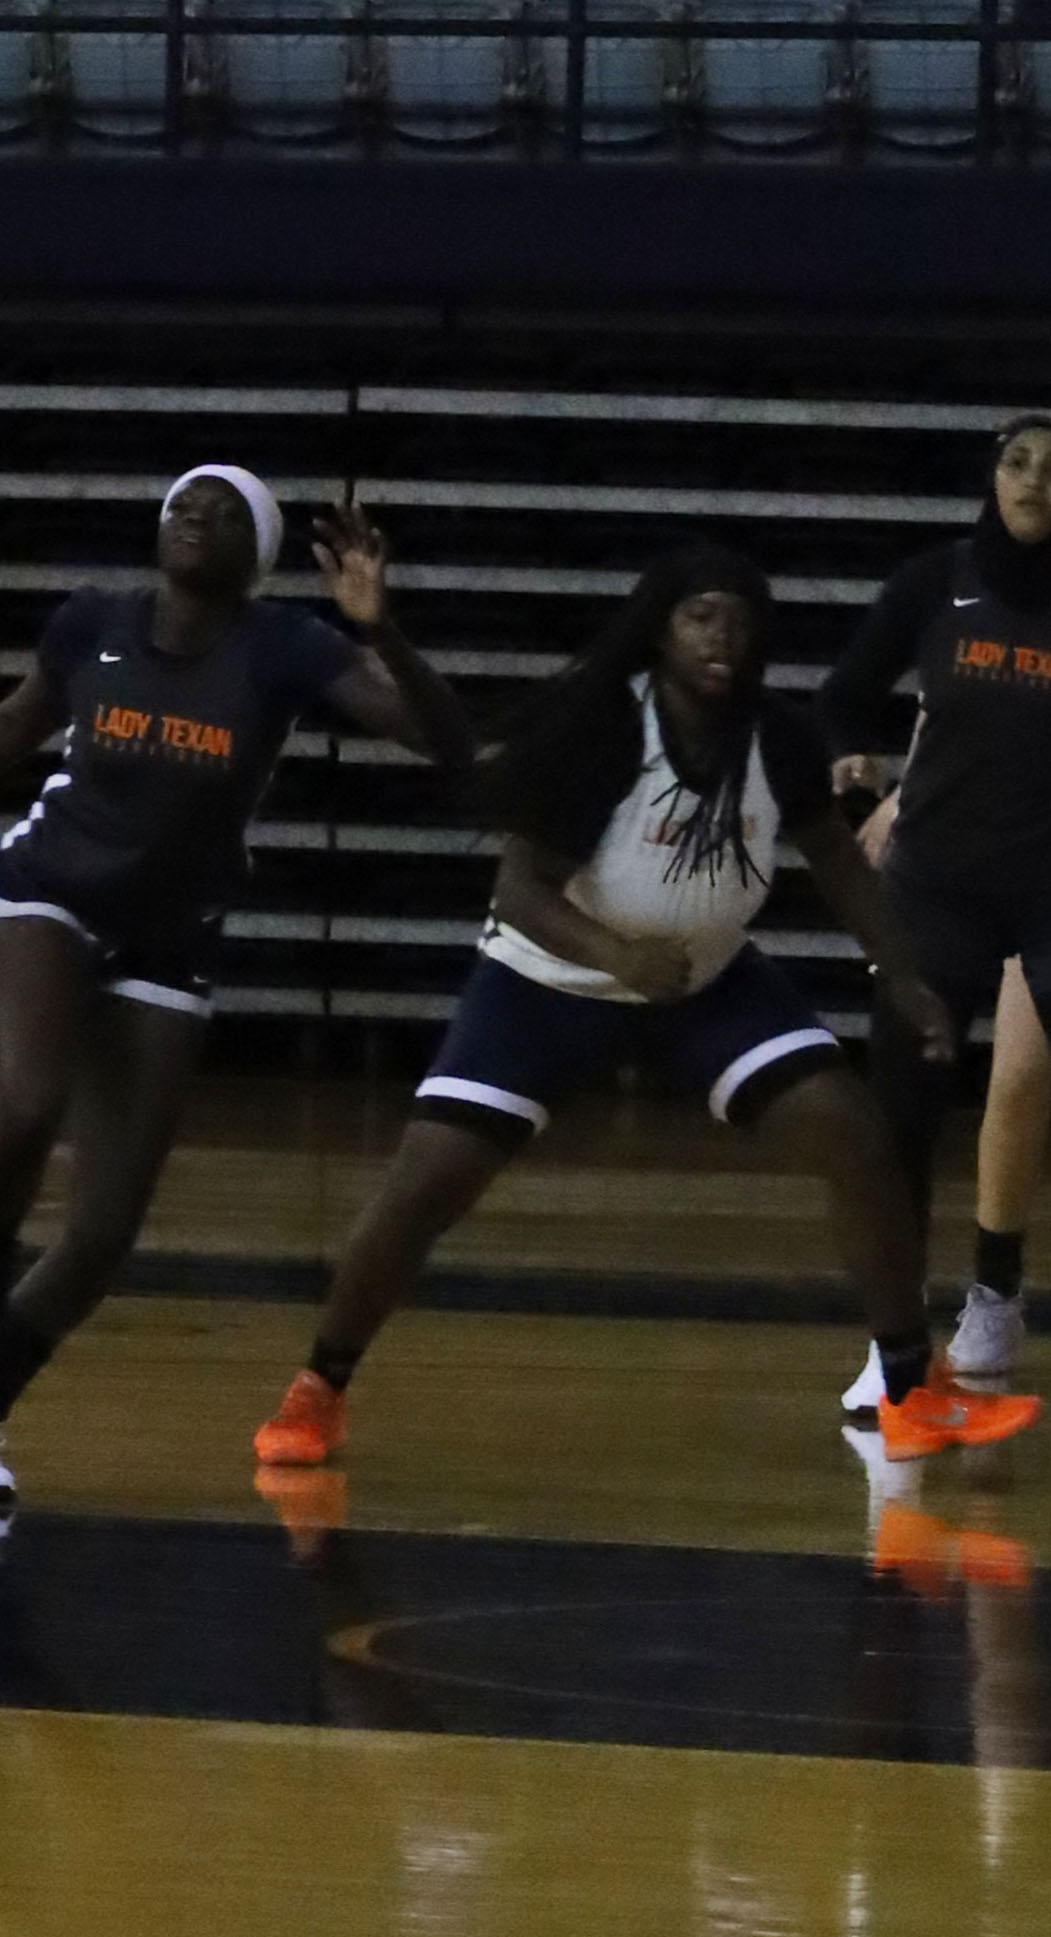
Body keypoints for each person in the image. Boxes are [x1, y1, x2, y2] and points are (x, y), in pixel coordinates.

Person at [248, 546, 1032, 1473]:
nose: (721, 637)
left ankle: (909, 1390)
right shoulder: (604, 730)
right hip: (547, 984)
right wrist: (617, 955)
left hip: (705, 983)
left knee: (850, 1131)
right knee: (425, 1184)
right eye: (700, 616)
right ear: (659, 630)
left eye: (738, 619)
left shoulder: (773, 737)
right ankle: (319, 1386)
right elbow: (518, 892)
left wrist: (901, 975)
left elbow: (835, 859)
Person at [0, 466, 470, 1505]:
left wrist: (381, 630)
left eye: (223, 510)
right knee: (28, 1102)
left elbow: (444, 743)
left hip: (170, 933)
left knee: (102, 1234)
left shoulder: (284, 646)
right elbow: (7, 728)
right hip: (47, 890)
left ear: (258, 554)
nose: (194, 515)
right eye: (182, 502)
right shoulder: (93, 622)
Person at [821, 410, 1051, 1409]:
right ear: (991, 475)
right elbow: (842, 695)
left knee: (1024, 1088)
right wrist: (855, 772)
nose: (1033, 481)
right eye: (1017, 462)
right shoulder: (934, 582)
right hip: (936, 887)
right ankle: (896, 1345)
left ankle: (995, 1294)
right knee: (900, 1116)